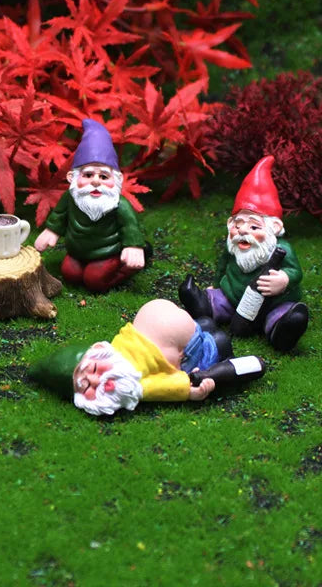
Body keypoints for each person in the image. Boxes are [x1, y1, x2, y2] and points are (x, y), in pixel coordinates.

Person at [178, 156, 308, 352]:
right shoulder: (234, 247)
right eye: (238, 225)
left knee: (281, 314)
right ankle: (205, 305)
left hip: (273, 302)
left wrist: (284, 279)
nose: (243, 231)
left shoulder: (282, 249)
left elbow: (295, 271)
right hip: (231, 296)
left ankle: (282, 329)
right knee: (218, 300)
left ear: (274, 227)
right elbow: (222, 266)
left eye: (254, 226)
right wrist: (216, 283)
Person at [29, 299, 240, 416]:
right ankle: (209, 330)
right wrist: (189, 391)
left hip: (185, 337)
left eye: (93, 369)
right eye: (86, 386)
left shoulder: (117, 354)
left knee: (206, 325)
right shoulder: (134, 385)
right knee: (220, 342)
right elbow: (164, 387)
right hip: (187, 352)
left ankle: (203, 317)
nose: (96, 379)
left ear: (98, 349)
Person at [33, 118, 148, 291]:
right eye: (88, 175)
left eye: (103, 176)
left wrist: (133, 245)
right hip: (77, 252)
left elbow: (130, 225)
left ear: (117, 179)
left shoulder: (119, 204)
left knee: (94, 279)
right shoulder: (70, 198)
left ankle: (127, 267)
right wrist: (51, 231)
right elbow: (59, 215)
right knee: (70, 273)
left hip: (107, 252)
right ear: (72, 177)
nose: (95, 181)